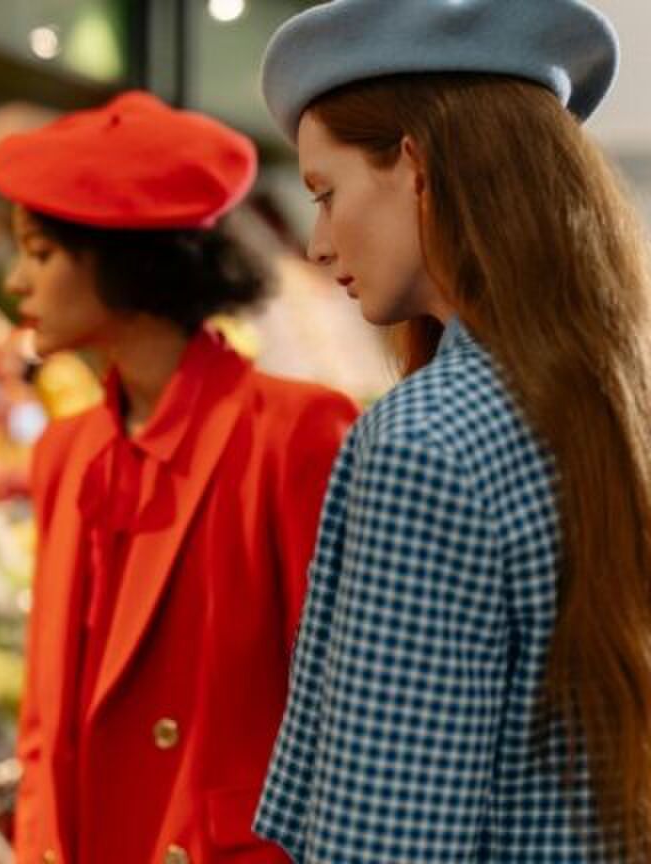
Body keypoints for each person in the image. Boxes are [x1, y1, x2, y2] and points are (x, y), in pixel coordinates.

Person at [254, 1, 651, 860]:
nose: (319, 244)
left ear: (416, 165)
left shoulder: (426, 442)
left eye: (326, 192)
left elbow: (386, 838)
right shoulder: (622, 404)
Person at [0, 91, 358, 864]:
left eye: (41, 252)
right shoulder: (66, 452)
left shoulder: (294, 434)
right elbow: (43, 717)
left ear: (125, 261)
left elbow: (347, 714)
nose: (16, 283)